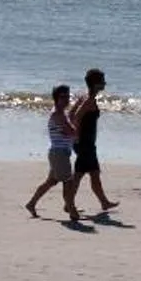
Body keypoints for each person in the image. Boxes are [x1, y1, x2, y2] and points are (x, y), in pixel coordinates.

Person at [25, 84, 82, 220]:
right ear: (57, 98)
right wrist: (73, 131)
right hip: (59, 154)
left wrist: (77, 106)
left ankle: (31, 203)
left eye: (68, 96)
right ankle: (71, 210)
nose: (67, 99)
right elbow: (72, 132)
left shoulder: (61, 113)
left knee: (51, 181)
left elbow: (70, 129)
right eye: (64, 97)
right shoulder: (58, 114)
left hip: (59, 153)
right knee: (68, 182)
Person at [70, 68, 115, 212]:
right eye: (102, 81)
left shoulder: (85, 97)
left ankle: (104, 202)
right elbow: (76, 117)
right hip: (84, 144)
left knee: (91, 173)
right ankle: (69, 203)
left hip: (86, 144)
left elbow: (70, 114)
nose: (105, 83)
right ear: (96, 84)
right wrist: (76, 136)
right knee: (80, 175)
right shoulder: (88, 100)